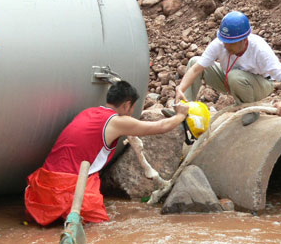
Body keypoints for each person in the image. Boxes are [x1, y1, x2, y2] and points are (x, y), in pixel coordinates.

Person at [25, 80, 189, 225]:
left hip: (42, 188)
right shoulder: (117, 122)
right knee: (100, 226)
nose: (131, 112)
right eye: (132, 108)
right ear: (127, 105)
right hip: (66, 189)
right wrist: (181, 115)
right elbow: (159, 127)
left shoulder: (88, 112)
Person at [175, 11, 281, 125]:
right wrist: (181, 89)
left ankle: (251, 110)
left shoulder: (259, 49)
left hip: (259, 86)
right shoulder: (220, 44)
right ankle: (184, 110)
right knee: (194, 61)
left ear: (244, 40)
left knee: (235, 76)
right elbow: (196, 69)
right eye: (225, 41)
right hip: (230, 81)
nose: (226, 46)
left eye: (231, 43)